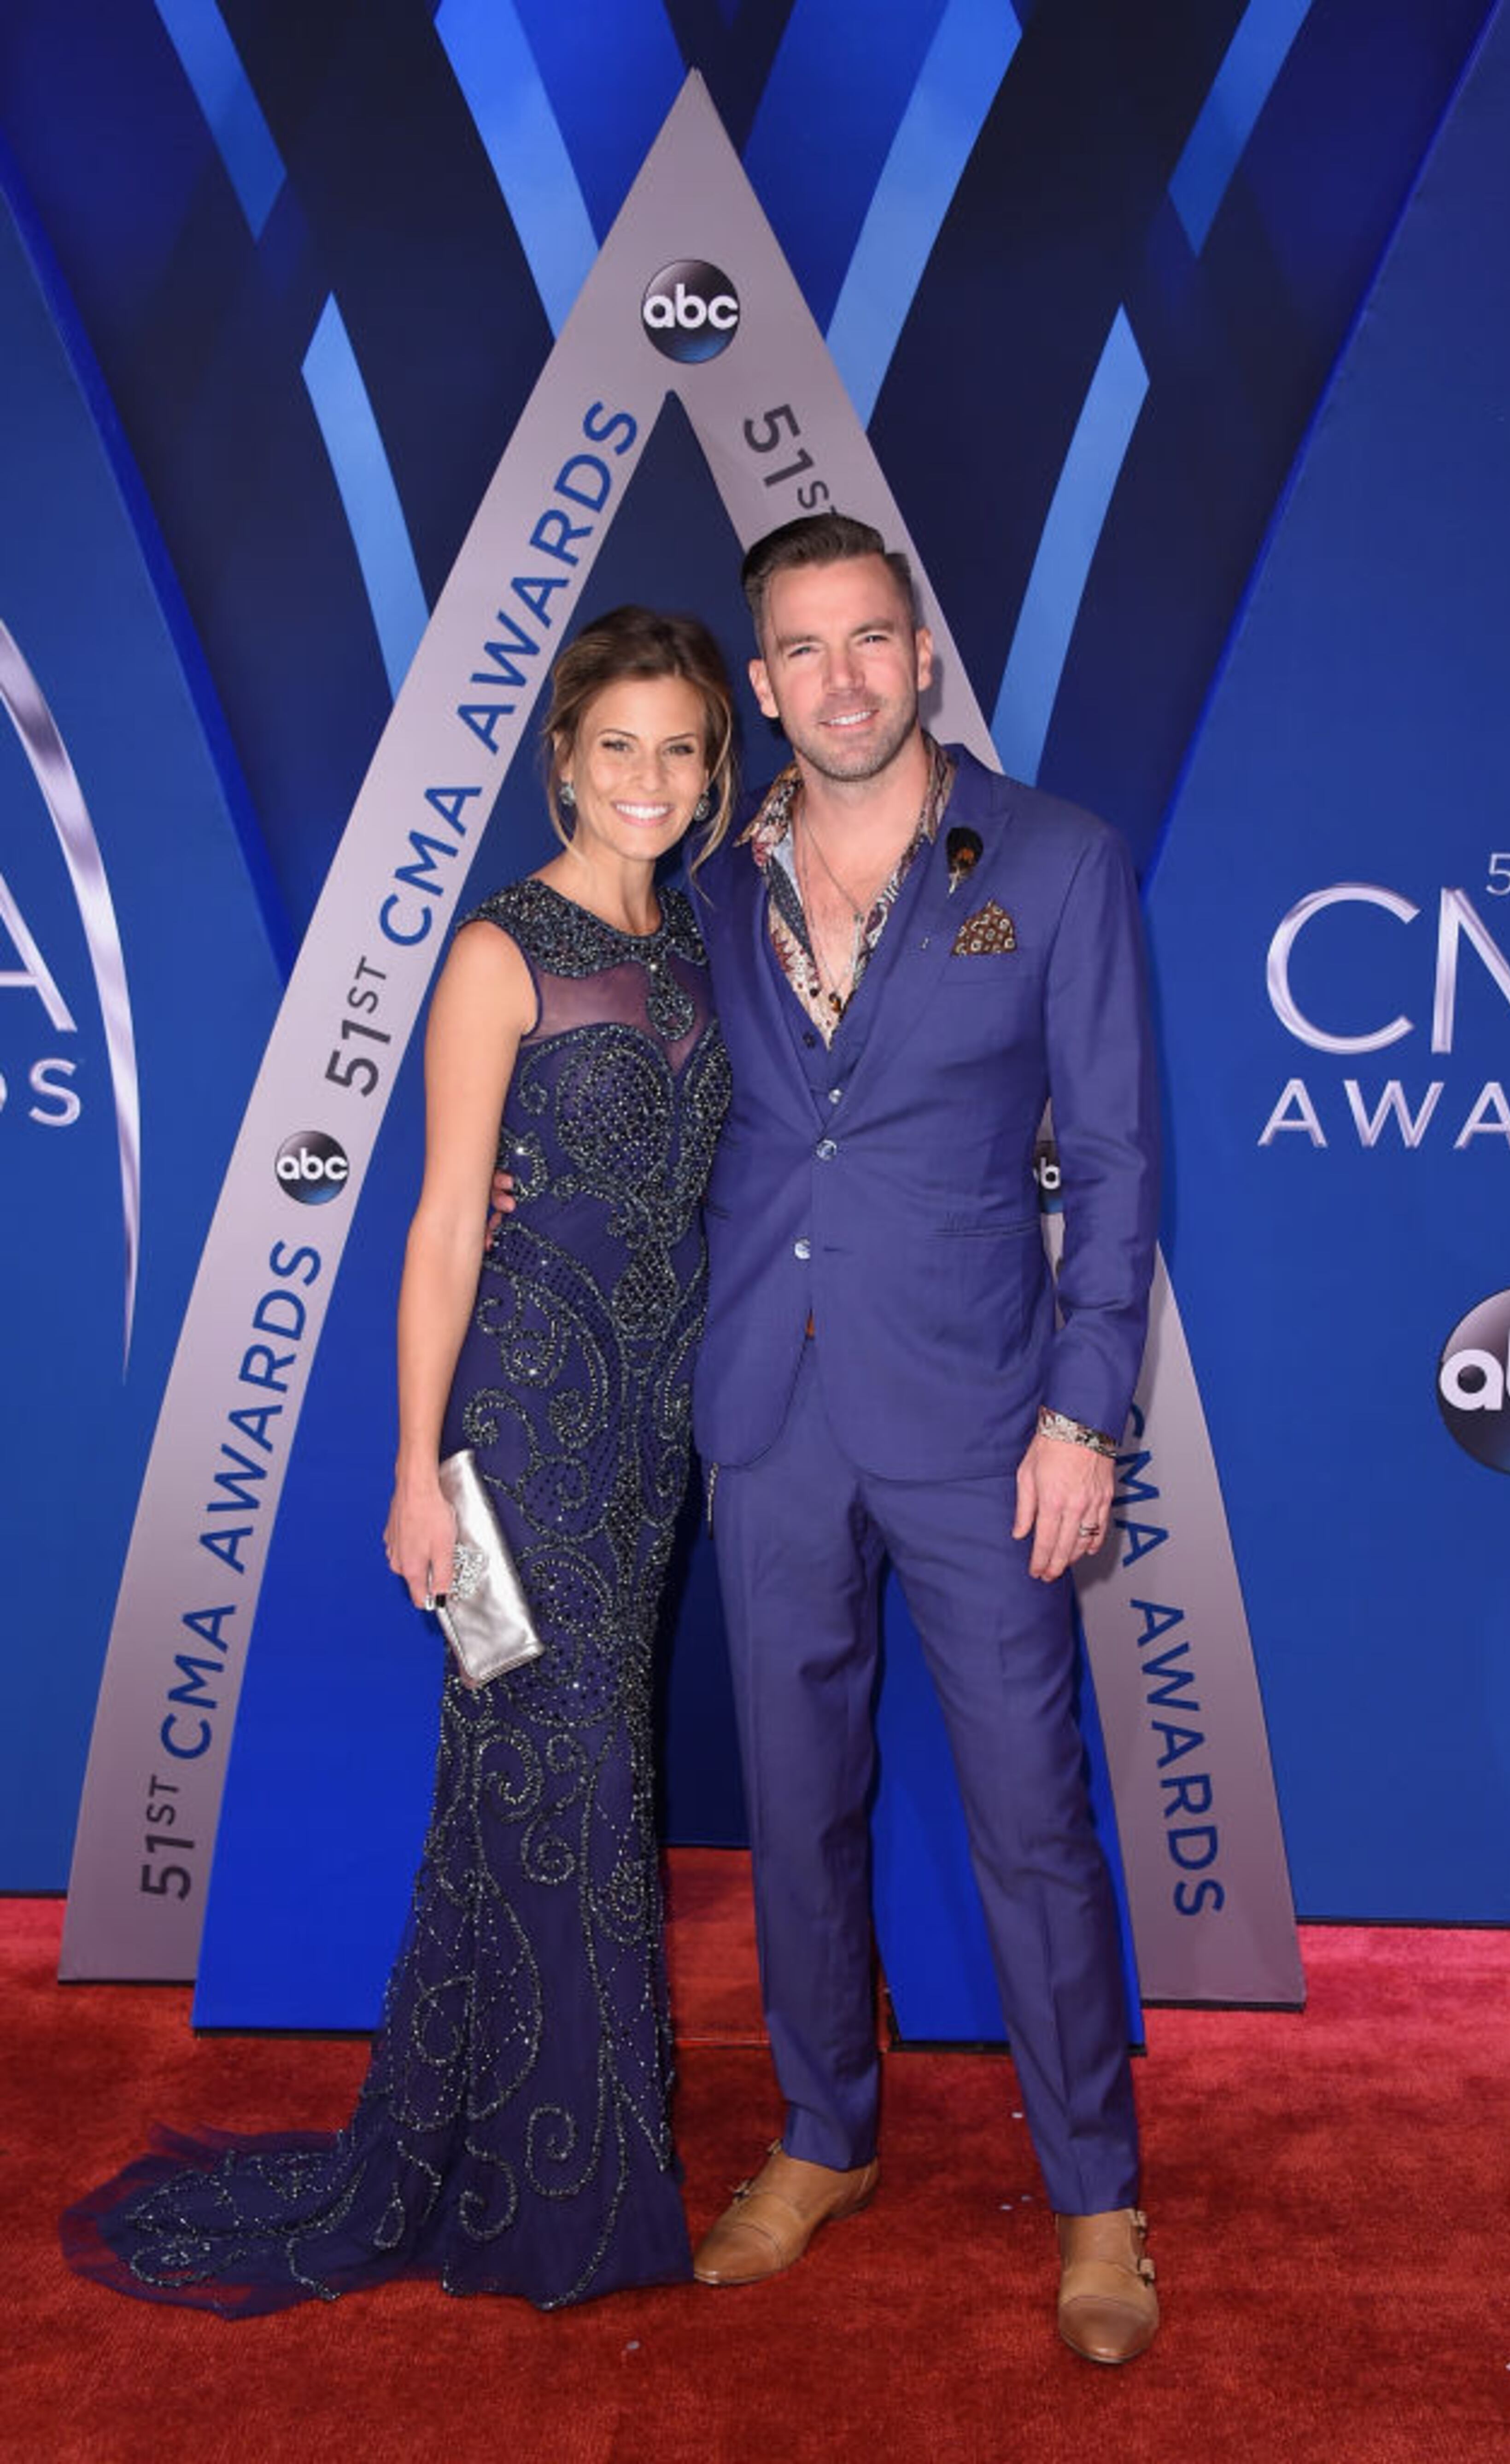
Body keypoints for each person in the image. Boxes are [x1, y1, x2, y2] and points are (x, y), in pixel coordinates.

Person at [62, 606, 737, 2315]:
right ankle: (560, 2193)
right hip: (523, 1420)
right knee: (566, 1778)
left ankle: (501, 2145)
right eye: (618, 747)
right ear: (561, 759)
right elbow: (443, 1226)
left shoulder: (702, 947)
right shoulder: (502, 950)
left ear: (712, 769)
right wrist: (415, 1468)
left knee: (567, 1784)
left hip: (657, 1429)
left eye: (680, 749)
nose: (646, 779)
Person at [685, 513, 1161, 2365]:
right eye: (802, 650)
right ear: (763, 682)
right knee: (797, 1807)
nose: (841, 677)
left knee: (1032, 1818)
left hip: (985, 1420)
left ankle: (1097, 2202)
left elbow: (1114, 1163)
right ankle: (823, 2138)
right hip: (768, 1415)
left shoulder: (1052, 861)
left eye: (870, 638)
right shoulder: (717, 887)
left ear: (921, 652)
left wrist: (1084, 1411)